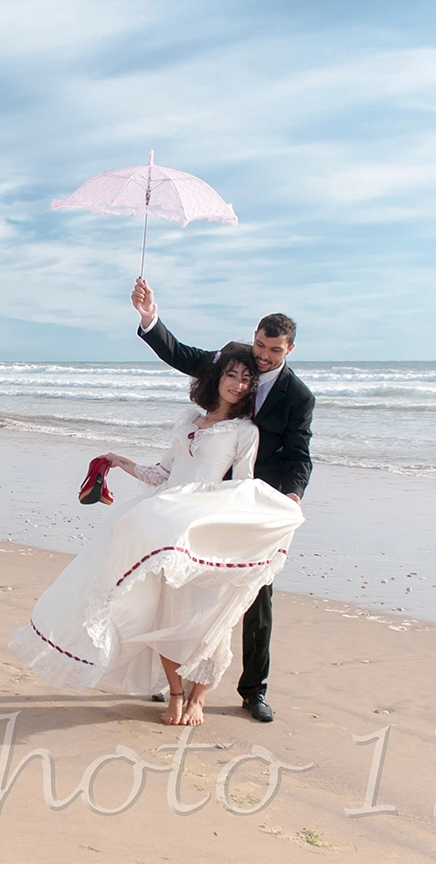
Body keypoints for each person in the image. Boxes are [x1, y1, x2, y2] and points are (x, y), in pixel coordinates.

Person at [9, 346, 305, 726]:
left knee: (206, 614)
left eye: (247, 379)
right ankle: (176, 694)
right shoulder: (187, 424)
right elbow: (162, 474)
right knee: (166, 612)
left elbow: (242, 486)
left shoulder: (245, 431)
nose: (238, 384)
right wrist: (121, 461)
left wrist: (278, 506)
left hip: (201, 528)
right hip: (164, 523)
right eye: (232, 375)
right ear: (217, 378)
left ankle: (198, 698)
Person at [131, 278, 314, 723]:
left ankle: (253, 690)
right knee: (180, 587)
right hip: (200, 493)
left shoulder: (298, 396)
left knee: (253, 596)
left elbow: (298, 453)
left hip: (251, 498)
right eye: (259, 345)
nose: (262, 356)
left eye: (273, 350)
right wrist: (149, 317)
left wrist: (290, 496)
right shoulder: (231, 363)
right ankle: (169, 681)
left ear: (290, 349)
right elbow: (183, 356)